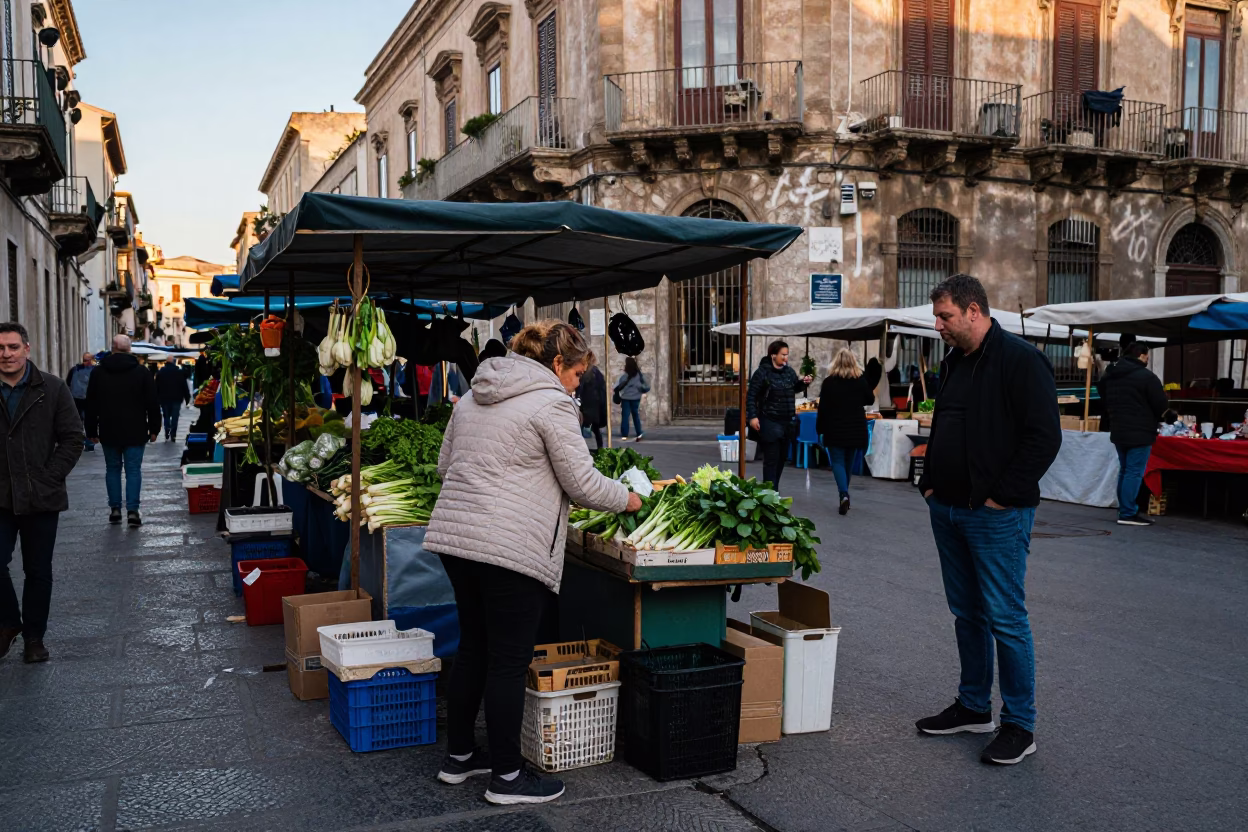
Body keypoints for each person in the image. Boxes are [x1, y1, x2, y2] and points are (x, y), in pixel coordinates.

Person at [425, 320, 641, 805]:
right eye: (578, 374)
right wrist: (628, 500)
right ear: (558, 363)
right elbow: (583, 484)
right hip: (508, 547)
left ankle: (459, 758)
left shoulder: (475, 394)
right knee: (508, 660)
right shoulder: (551, 403)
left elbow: (445, 466)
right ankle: (506, 777)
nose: (577, 384)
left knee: (475, 648)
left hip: (457, 541)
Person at [914, 274, 1061, 767]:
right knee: (967, 613)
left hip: (996, 515)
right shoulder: (954, 360)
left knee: (1005, 617)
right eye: (937, 317)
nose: (938, 326)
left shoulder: (1022, 360)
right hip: (949, 508)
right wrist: (930, 483)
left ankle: (1020, 725)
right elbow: (946, 423)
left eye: (945, 317)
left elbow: (1044, 439)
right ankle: (974, 707)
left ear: (974, 310)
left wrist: (1001, 497)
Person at [0, 322, 84, 663]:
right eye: (0, 348)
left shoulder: (51, 388)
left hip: (40, 495)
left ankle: (35, 638)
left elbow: (73, 438)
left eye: (12, 347)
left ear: (27, 349)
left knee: (38, 570)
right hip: (1, 496)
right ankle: (8, 623)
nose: (5, 354)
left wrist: (49, 478)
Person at [84, 335, 160, 527]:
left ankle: (115, 509)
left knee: (113, 469)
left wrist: (91, 429)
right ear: (130, 349)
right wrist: (154, 428)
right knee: (133, 470)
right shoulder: (142, 372)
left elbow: (91, 404)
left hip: (109, 429)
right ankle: (133, 511)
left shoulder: (98, 373)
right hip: (136, 429)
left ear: (112, 348)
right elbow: (152, 402)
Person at [1096, 341, 1167, 526]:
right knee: (1133, 472)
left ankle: (1125, 509)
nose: (1147, 360)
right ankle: (1127, 513)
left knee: (1125, 470)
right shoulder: (1147, 377)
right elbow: (1161, 405)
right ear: (1142, 355)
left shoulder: (1109, 375)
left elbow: (1102, 394)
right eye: (1147, 357)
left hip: (1119, 427)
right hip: (1141, 429)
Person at [815, 349, 882, 515]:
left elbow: (822, 408)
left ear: (836, 362)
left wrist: (820, 430)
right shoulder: (860, 381)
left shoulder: (829, 382)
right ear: (854, 362)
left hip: (834, 427)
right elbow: (870, 399)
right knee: (848, 463)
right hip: (856, 428)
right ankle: (844, 495)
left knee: (837, 461)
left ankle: (843, 494)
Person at [746, 340, 812, 490]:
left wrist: (804, 383)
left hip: (787, 423)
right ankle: (771, 493)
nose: (785, 358)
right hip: (769, 421)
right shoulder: (762, 373)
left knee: (781, 459)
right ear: (773, 355)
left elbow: (794, 387)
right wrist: (752, 416)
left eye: (787, 355)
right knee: (771, 459)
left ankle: (773, 490)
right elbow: (751, 396)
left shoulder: (789, 372)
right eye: (783, 355)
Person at [65, 352, 96, 452]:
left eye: (87, 360)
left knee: (88, 421)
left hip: (89, 399)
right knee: (78, 421)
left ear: (91, 360)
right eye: (84, 360)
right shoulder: (75, 370)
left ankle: (89, 442)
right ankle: (79, 441)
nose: (85, 362)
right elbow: (68, 383)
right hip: (76, 399)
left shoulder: (95, 371)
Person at [155, 357, 191, 442]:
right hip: (176, 398)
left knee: (166, 416)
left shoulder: (161, 372)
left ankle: (167, 430)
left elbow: (156, 387)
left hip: (164, 399)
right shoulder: (179, 372)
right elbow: (184, 386)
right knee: (175, 417)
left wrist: (156, 399)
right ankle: (173, 434)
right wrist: (187, 398)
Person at [614, 357, 649, 441]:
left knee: (625, 416)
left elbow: (618, 386)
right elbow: (645, 385)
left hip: (625, 397)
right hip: (636, 398)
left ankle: (624, 434)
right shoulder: (639, 375)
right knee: (635, 415)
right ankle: (639, 432)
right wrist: (639, 389)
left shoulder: (624, 376)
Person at [577, 363, 607, 449]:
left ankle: (581, 447)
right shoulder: (596, 372)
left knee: (584, 426)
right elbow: (602, 387)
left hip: (588, 403)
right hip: (595, 403)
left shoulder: (586, 373)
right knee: (595, 428)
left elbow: (580, 387)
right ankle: (600, 446)